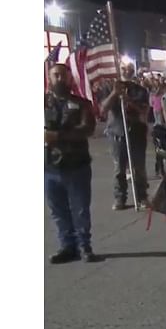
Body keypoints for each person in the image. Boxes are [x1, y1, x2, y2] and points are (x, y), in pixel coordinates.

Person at [45, 64, 98, 263]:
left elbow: (87, 129)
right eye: (55, 75)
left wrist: (57, 136)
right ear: (49, 78)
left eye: (62, 75)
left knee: (80, 209)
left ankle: (85, 246)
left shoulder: (82, 104)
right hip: (49, 167)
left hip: (77, 166)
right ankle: (67, 246)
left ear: (69, 78)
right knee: (58, 210)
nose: (59, 79)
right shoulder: (43, 103)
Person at [100, 62, 150, 210]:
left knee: (138, 168)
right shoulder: (109, 88)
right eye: (123, 68)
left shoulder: (140, 90)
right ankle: (120, 197)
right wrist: (115, 94)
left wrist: (127, 99)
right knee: (119, 169)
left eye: (129, 68)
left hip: (136, 133)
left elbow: (143, 110)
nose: (126, 70)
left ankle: (142, 196)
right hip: (117, 133)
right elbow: (103, 108)